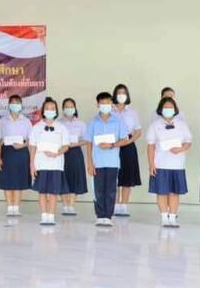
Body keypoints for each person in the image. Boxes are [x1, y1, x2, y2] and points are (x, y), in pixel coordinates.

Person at [146, 97, 191, 227]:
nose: (168, 109)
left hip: (177, 164)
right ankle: (164, 217)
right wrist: (151, 164)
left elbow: (188, 142)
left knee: (175, 192)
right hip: (160, 164)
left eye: (171, 107)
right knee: (162, 192)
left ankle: (172, 217)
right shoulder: (155, 125)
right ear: (160, 109)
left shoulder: (182, 124)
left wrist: (180, 149)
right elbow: (150, 145)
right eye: (165, 107)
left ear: (175, 109)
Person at [86, 92, 129, 227]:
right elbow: (88, 143)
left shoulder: (118, 120)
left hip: (112, 162)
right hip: (97, 162)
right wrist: (90, 163)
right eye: (102, 103)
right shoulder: (93, 122)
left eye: (108, 103)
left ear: (111, 104)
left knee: (111, 190)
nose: (105, 105)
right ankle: (100, 215)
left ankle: (108, 216)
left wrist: (112, 145)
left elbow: (125, 139)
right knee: (98, 190)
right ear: (97, 104)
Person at [29, 97, 70, 225]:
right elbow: (32, 147)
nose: (50, 110)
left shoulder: (62, 128)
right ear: (43, 110)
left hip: (56, 165)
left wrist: (56, 153)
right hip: (40, 164)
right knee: (42, 192)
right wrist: (32, 164)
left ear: (56, 111)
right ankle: (44, 216)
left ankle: (51, 216)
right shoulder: (36, 127)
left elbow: (66, 146)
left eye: (52, 108)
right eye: (47, 108)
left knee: (53, 192)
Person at [0, 95, 32, 216]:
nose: (15, 105)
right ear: (9, 105)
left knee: (18, 180)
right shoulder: (3, 121)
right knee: (7, 181)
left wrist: (22, 145)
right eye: (13, 103)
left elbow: (31, 140)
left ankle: (16, 208)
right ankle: (9, 207)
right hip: (6, 153)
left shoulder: (26, 121)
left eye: (17, 103)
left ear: (21, 105)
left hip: (21, 153)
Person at [112, 83, 142, 217]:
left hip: (128, 144)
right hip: (113, 144)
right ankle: (114, 205)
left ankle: (123, 206)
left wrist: (128, 142)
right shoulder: (109, 111)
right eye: (119, 93)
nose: (121, 95)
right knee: (114, 175)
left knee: (127, 176)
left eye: (123, 93)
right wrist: (115, 143)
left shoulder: (132, 112)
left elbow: (138, 131)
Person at [60, 98, 88, 215]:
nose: (69, 109)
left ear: (75, 108)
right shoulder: (58, 123)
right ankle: (65, 205)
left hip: (76, 153)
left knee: (75, 178)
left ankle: (71, 205)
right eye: (67, 107)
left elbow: (86, 140)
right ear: (63, 109)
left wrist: (75, 144)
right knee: (63, 178)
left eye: (71, 107)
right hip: (62, 153)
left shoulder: (81, 124)